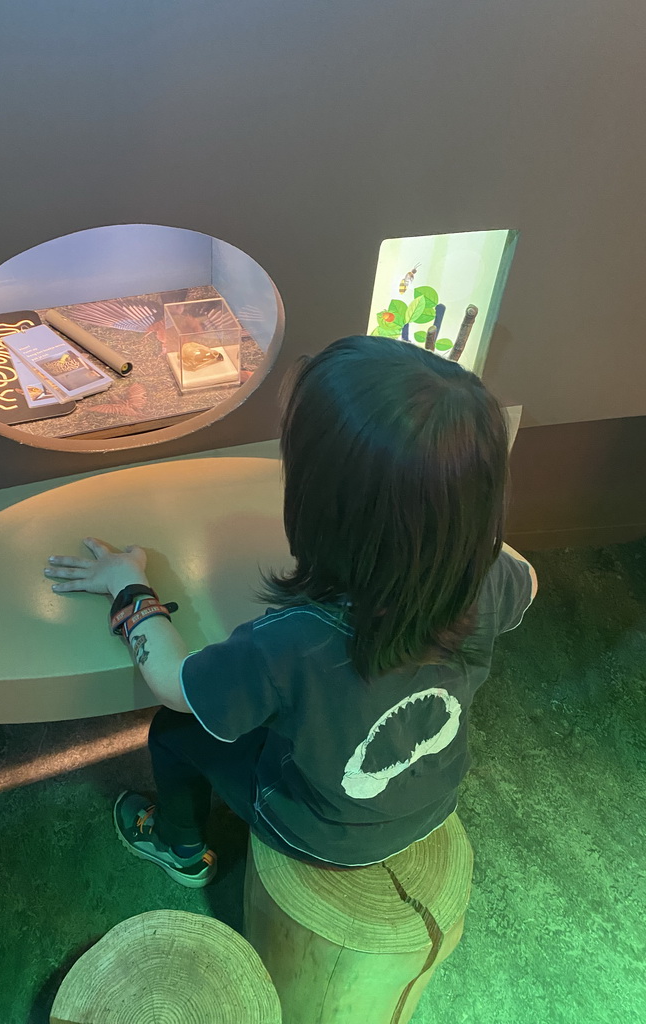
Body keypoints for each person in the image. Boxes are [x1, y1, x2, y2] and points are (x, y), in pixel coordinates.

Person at [44, 335, 538, 888]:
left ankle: (177, 846)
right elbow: (529, 580)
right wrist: (465, 535)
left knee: (172, 734)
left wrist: (127, 586)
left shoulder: (290, 642)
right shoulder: (491, 578)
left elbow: (176, 687)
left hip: (317, 830)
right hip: (433, 799)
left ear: (321, 506)